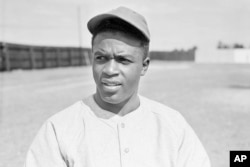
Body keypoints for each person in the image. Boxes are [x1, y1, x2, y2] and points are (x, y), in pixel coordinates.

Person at [24, 6, 211, 167]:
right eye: (101, 58)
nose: (109, 69)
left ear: (144, 66)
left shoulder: (172, 125)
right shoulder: (59, 129)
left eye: (123, 60)